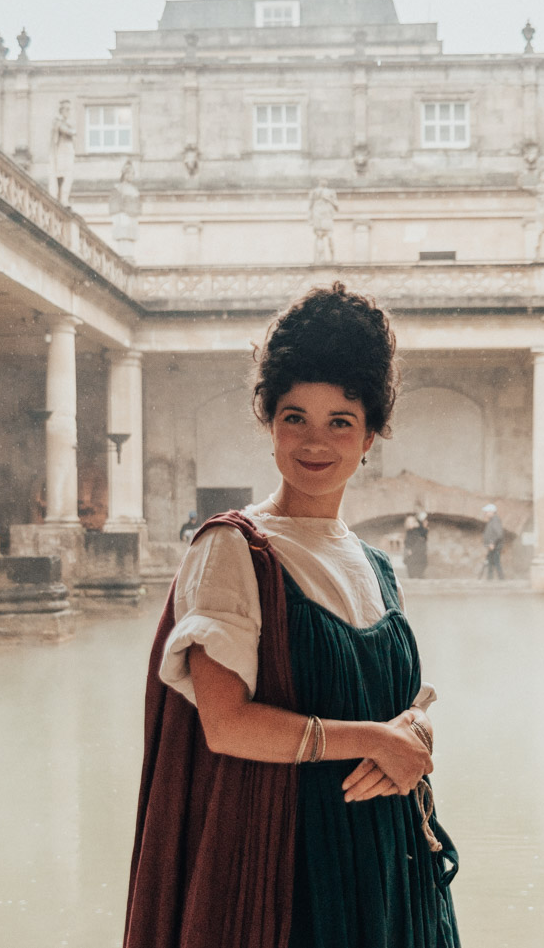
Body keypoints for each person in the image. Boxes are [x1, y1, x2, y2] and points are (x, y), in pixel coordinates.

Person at [126, 283, 459, 948]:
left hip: (391, 862)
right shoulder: (234, 547)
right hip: (289, 869)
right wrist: (372, 739)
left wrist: (415, 729)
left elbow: (395, 702)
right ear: (269, 423)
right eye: (293, 416)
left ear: (372, 434)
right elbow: (225, 725)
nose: (315, 440)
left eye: (341, 419)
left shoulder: (377, 563)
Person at [480, 503, 504, 580]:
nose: (485, 514)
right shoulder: (492, 520)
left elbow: (499, 534)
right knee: (491, 564)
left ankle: (501, 579)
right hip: (492, 546)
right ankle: (490, 579)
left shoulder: (495, 520)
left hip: (495, 546)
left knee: (496, 563)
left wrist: (492, 543)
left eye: (486, 512)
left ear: (491, 512)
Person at [403, 510, 429, 579]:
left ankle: (419, 575)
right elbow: (408, 541)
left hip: (419, 552)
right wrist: (408, 549)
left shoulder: (420, 530)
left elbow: (424, 535)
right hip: (414, 552)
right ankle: (414, 576)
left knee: (420, 564)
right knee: (412, 564)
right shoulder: (411, 532)